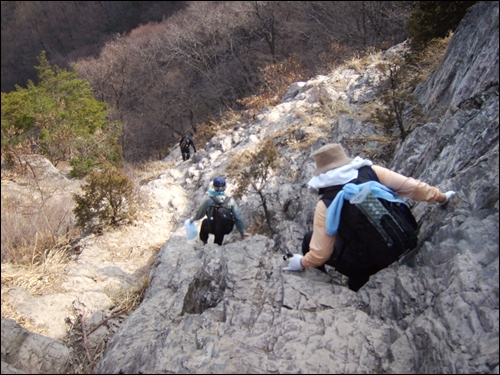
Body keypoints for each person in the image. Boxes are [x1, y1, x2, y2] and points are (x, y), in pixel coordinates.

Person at [283, 143, 456, 291]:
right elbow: (414, 188)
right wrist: (442, 197)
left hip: (371, 265)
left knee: (308, 239)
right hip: (404, 239)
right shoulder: (370, 171)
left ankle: (341, 286)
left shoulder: (326, 202)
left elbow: (321, 253)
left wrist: (301, 262)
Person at [189, 177, 250, 245]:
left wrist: (193, 219)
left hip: (212, 226)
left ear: (214, 187)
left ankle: (204, 242)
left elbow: (200, 213)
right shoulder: (230, 200)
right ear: (225, 187)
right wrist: (242, 232)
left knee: (205, 222)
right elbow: (238, 217)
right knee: (221, 226)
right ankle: (218, 245)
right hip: (226, 228)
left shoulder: (209, 200)